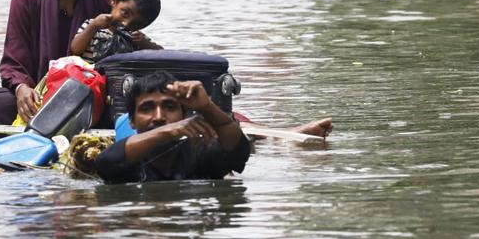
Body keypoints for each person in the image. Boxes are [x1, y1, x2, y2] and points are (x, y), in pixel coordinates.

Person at [94, 71, 334, 183]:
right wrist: (169, 130)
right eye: (147, 108)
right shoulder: (127, 161)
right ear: (133, 121)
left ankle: (283, 137)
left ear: (184, 115)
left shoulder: (199, 152)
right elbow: (105, 163)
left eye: (169, 107)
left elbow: (237, 153)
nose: (158, 116)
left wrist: (207, 107)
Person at [70, 0, 163, 63]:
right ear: (114, 1)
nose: (126, 23)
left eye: (136, 24)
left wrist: (145, 44)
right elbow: (75, 49)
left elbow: (161, 54)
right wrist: (93, 26)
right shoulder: (93, 25)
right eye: (125, 13)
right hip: (89, 78)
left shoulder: (135, 38)